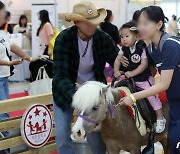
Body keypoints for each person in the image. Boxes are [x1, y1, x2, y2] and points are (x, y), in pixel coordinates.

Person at [52, 1, 119, 154]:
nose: (93, 26)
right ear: (76, 22)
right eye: (88, 23)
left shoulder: (102, 38)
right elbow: (59, 76)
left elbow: (117, 60)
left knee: (96, 139)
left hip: (94, 95)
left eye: (95, 22)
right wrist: (77, 96)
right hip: (66, 92)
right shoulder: (64, 39)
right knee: (63, 138)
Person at [120, 6, 180, 154]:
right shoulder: (152, 47)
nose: (141, 27)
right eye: (139, 23)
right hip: (175, 103)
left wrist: (133, 97)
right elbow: (150, 70)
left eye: (145, 23)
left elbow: (164, 83)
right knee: (173, 143)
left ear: (159, 24)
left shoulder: (170, 45)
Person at [114, 21, 165, 133]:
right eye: (122, 37)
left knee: (152, 96)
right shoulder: (123, 49)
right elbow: (118, 59)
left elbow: (144, 64)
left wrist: (132, 73)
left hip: (143, 79)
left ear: (136, 36)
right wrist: (116, 70)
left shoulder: (141, 47)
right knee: (116, 91)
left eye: (127, 36)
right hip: (129, 79)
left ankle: (160, 117)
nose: (124, 39)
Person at [0, 3, 38, 153]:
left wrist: (29, 58)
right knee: (4, 114)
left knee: (5, 113)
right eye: (4, 13)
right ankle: (4, 148)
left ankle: (5, 147)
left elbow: (13, 47)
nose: (6, 15)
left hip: (4, 78)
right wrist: (9, 62)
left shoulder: (3, 33)